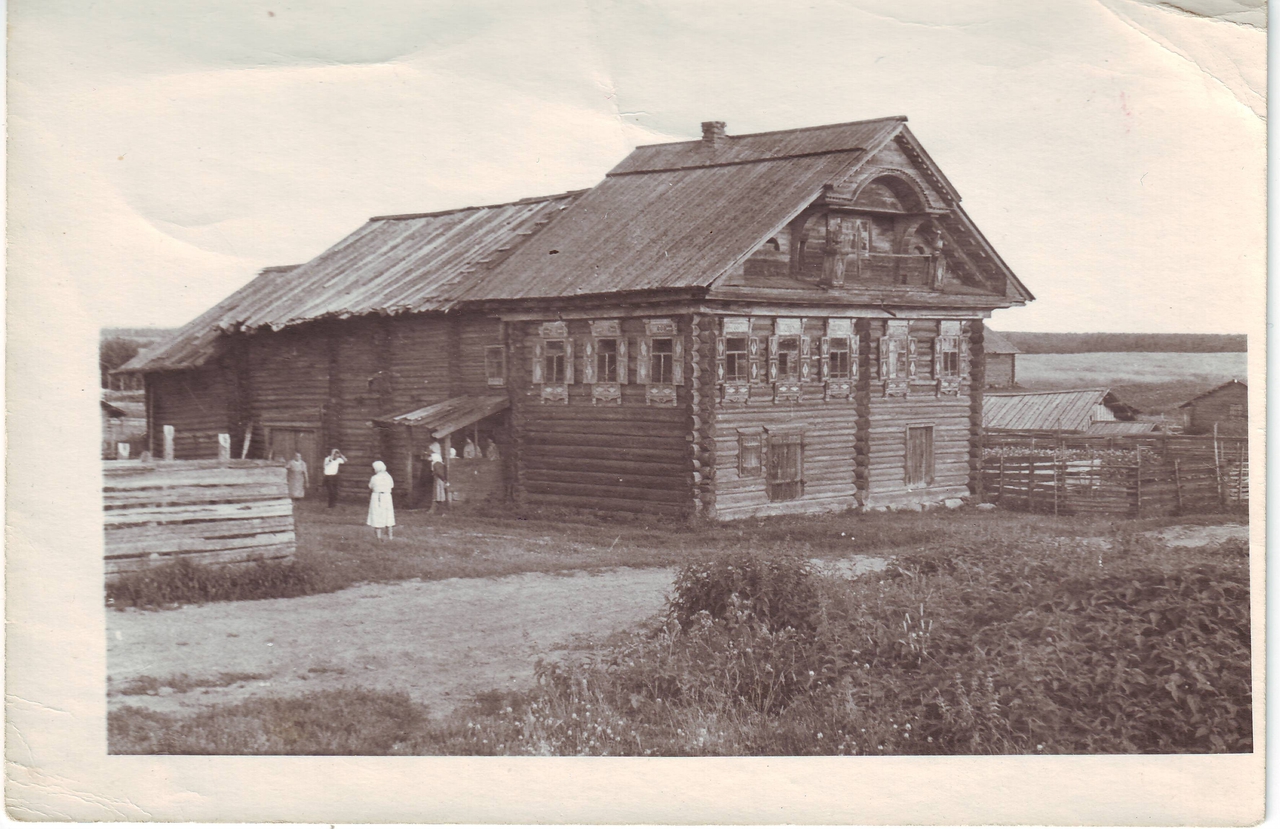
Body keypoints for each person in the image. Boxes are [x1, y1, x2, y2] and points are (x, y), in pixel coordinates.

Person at [367, 460, 395, 541]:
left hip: (377, 497)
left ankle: (378, 537)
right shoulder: (388, 477)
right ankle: (390, 537)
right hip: (387, 497)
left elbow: (370, 486)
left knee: (377, 515)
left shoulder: (374, 478)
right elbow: (392, 485)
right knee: (388, 515)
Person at [429, 441, 449, 512]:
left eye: (431, 457)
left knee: (439, 492)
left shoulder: (436, 463)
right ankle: (439, 507)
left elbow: (439, 472)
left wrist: (443, 479)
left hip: (439, 479)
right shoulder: (437, 463)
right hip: (439, 479)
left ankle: (440, 508)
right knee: (439, 493)